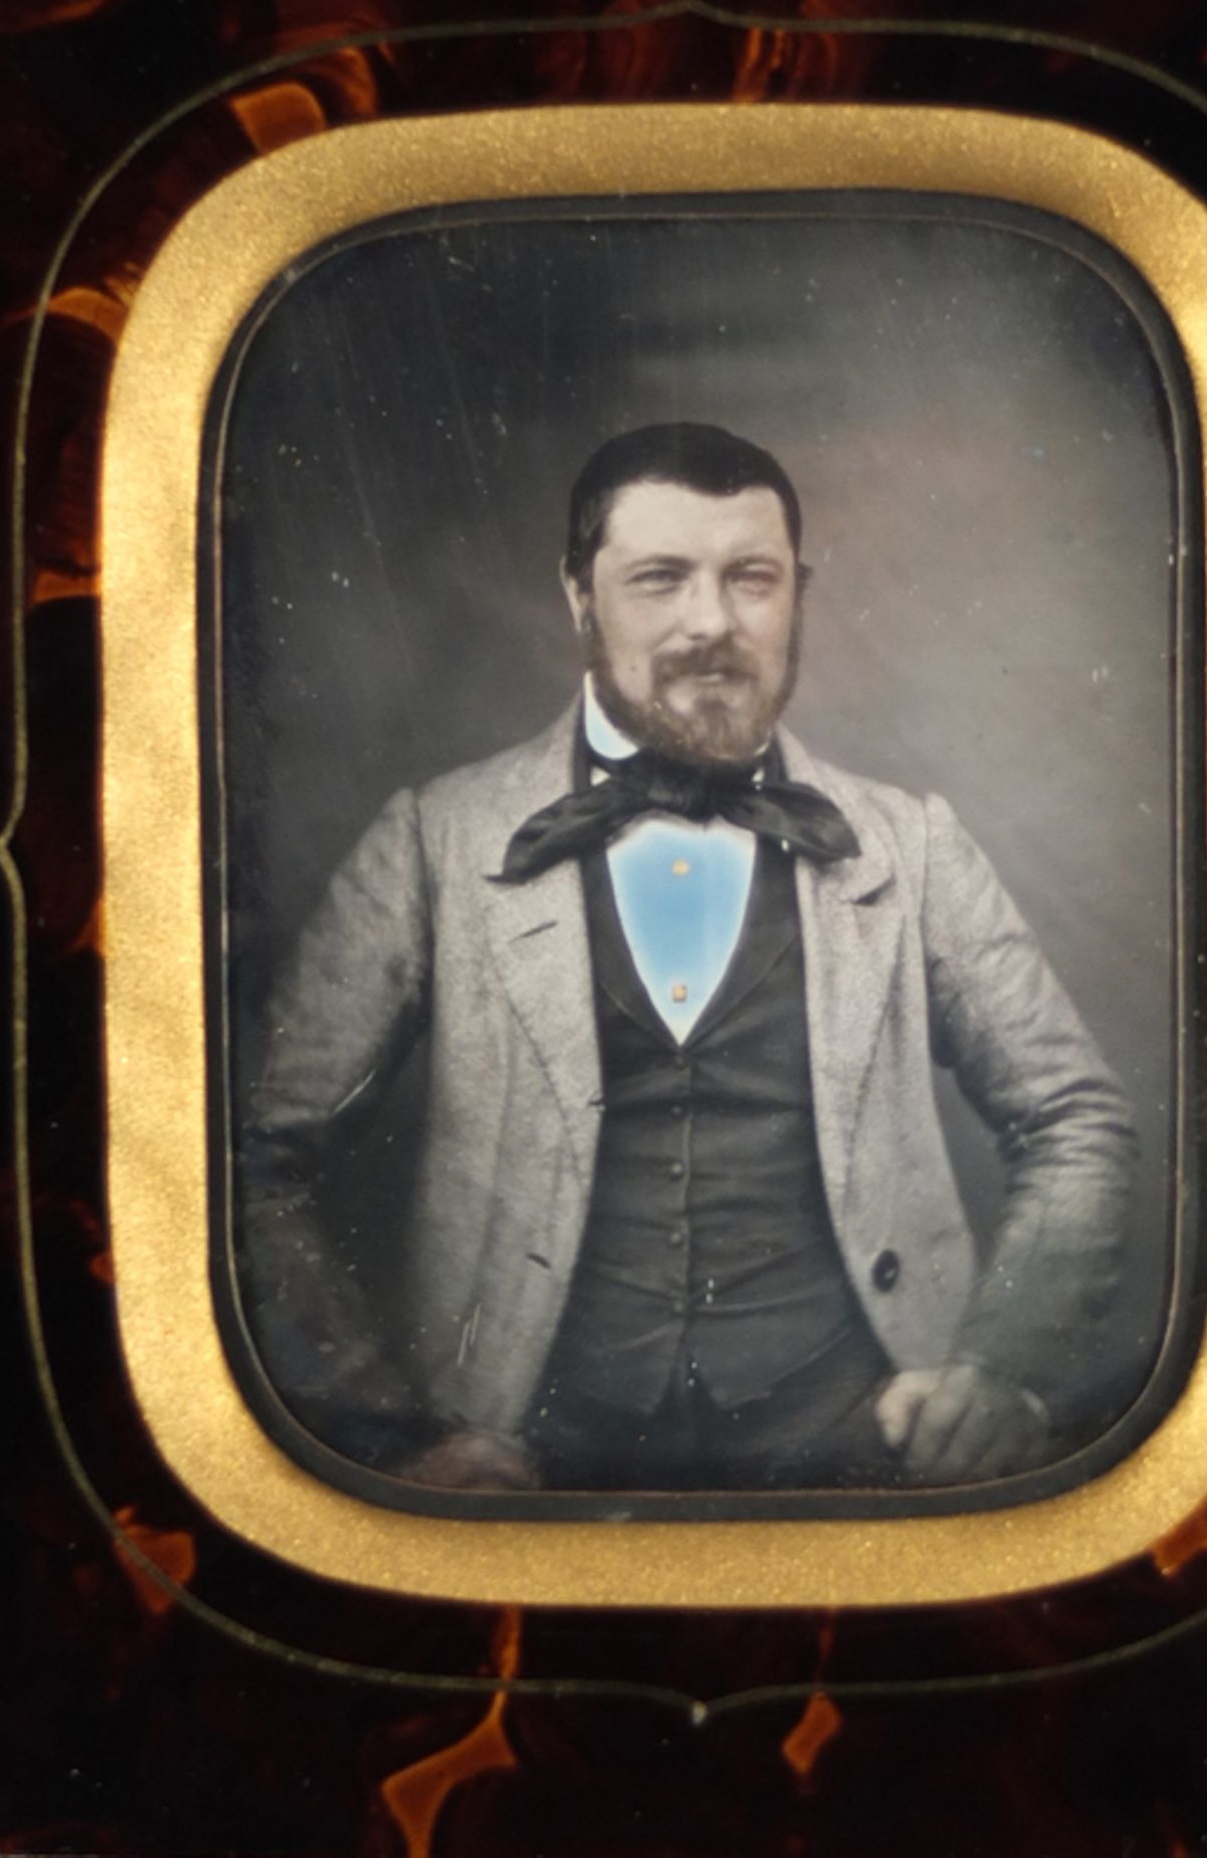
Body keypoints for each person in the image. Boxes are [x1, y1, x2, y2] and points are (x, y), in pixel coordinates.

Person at [236, 422, 1137, 1494]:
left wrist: (1003, 1370)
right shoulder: (435, 841)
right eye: (659, 578)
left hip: (864, 1462)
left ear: (796, 595)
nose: (711, 622)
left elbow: (1076, 1117)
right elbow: (252, 1153)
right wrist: (384, 1436)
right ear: (579, 595)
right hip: (529, 1479)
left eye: (751, 578)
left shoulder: (913, 844)